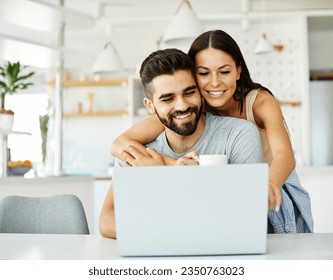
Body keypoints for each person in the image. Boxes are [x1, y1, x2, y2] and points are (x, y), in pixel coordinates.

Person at [111, 30, 313, 234]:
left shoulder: (259, 102)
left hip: (274, 184)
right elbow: (120, 143)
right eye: (204, 73)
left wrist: (267, 185)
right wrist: (169, 165)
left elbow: (285, 156)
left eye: (224, 72)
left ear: (238, 71)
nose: (214, 82)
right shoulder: (189, 107)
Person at [99, 48, 264, 238]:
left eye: (189, 93)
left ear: (200, 92)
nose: (182, 105)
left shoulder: (239, 135)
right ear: (150, 106)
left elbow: (248, 216)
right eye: (168, 98)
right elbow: (107, 221)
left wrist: (164, 180)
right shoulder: (137, 153)